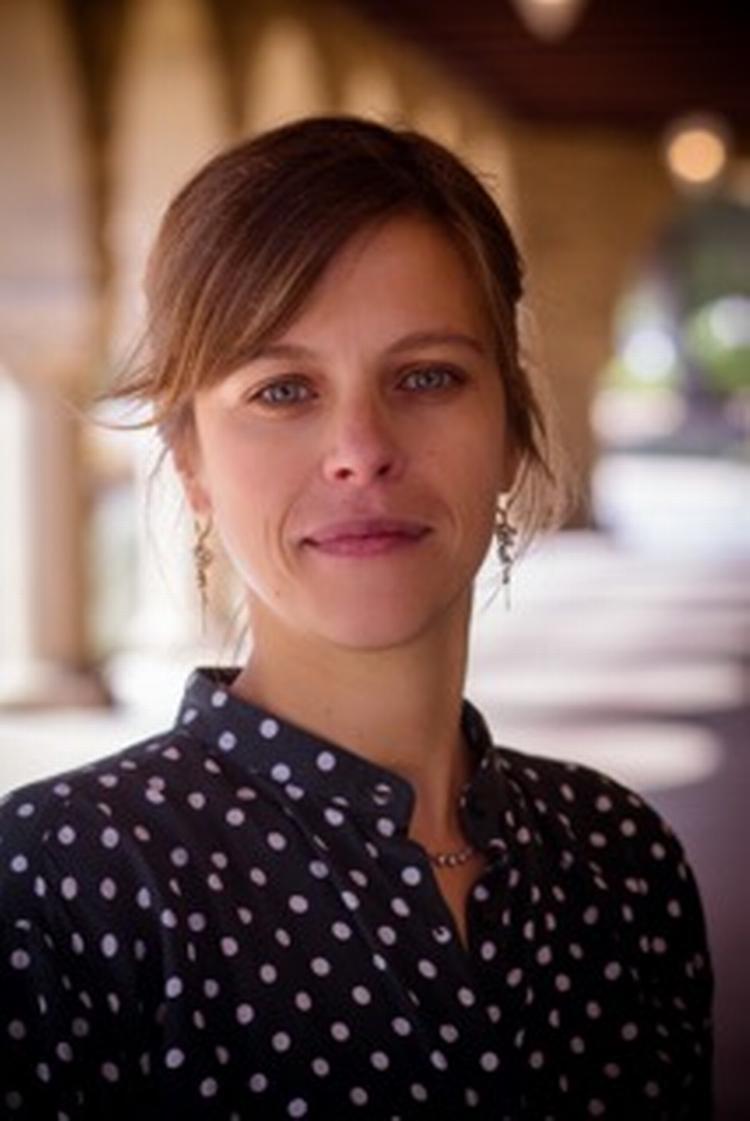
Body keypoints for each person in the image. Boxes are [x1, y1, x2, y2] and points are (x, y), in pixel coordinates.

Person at [0, 116, 713, 1120]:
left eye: (426, 376)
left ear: (511, 425)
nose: (360, 448)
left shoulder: (619, 857)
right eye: (283, 389)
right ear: (192, 458)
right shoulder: (61, 880)